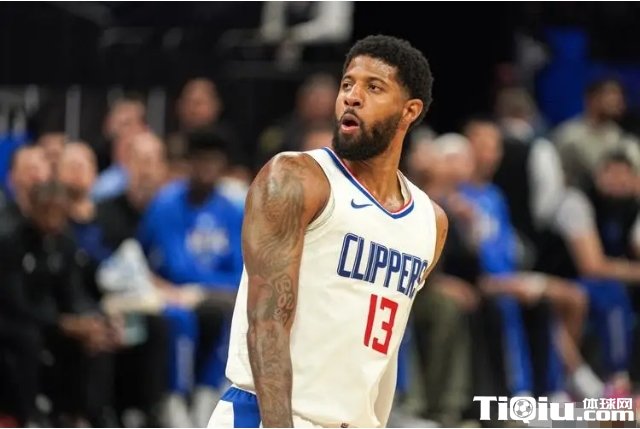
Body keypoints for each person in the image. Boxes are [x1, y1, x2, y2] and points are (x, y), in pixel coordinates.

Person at [208, 34, 447, 428]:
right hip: (268, 416)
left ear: (410, 111)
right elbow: (267, 323)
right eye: (347, 84)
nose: (352, 97)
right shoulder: (296, 179)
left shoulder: (430, 221)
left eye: (374, 87)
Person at [551, 78, 640, 190]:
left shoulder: (622, 139)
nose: (617, 101)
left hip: (618, 198)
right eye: (611, 94)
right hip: (578, 195)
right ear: (592, 99)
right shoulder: (568, 135)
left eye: (619, 96)